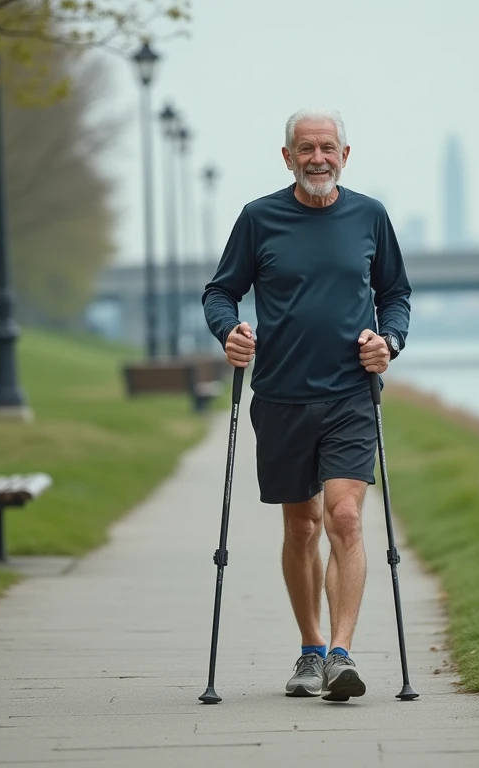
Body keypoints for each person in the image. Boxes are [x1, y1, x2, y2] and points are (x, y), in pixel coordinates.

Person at [201, 108, 412, 702]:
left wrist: (387, 341)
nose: (318, 157)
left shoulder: (370, 216)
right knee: (302, 526)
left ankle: (343, 655)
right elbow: (221, 290)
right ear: (287, 155)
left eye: (328, 147)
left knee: (344, 517)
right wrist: (229, 331)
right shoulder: (259, 218)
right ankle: (312, 648)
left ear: (346, 155)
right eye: (306, 148)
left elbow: (395, 294)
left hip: (351, 393)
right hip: (282, 397)